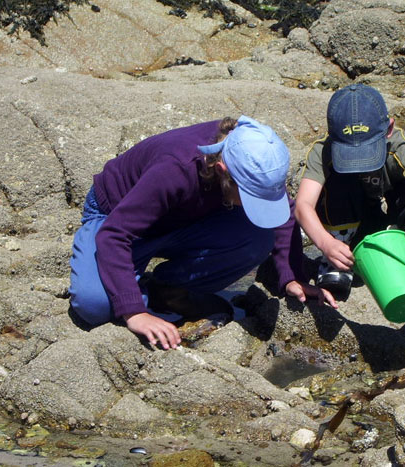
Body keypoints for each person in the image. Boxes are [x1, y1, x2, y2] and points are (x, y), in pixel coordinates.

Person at [69, 116, 336, 350]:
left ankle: (166, 288)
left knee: (259, 238)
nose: (259, 205)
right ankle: (135, 288)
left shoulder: (256, 153)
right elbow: (115, 235)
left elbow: (285, 214)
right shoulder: (176, 168)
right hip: (115, 217)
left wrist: (292, 278)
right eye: (251, 198)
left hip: (186, 218)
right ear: (222, 171)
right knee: (95, 305)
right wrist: (134, 312)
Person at [295, 84, 405, 302]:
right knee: (330, 185)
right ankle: (336, 260)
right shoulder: (324, 150)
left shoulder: (402, 149)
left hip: (389, 224)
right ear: (332, 135)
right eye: (350, 154)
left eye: (367, 152)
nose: (360, 163)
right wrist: (325, 243)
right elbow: (303, 205)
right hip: (348, 218)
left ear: (388, 129)